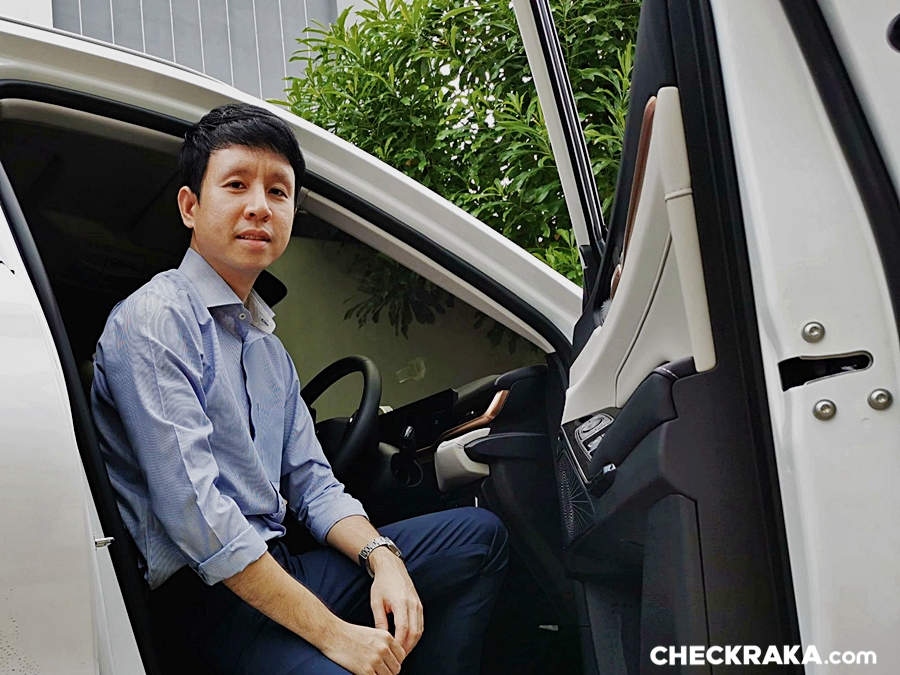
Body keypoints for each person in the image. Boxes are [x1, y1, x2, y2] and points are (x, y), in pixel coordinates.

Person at [91, 103, 508, 675]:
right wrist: (336, 635)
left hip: (282, 566)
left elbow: (313, 484)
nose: (259, 206)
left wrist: (383, 559)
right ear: (190, 206)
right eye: (236, 184)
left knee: (479, 538)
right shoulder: (154, 320)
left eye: (278, 192)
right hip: (206, 600)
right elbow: (197, 518)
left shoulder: (268, 350)